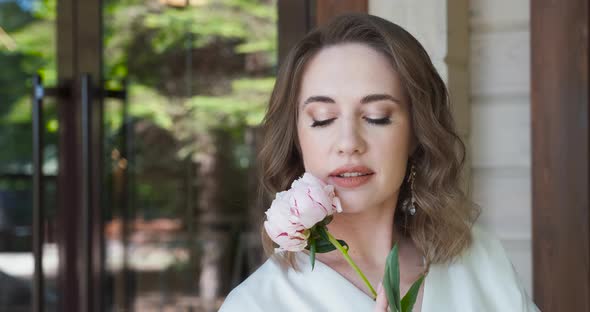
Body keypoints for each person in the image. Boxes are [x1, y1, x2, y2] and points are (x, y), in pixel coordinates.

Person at [219, 13, 540, 312]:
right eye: (323, 119)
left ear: (417, 131)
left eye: (377, 117)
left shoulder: (479, 258)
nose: (348, 143)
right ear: (296, 139)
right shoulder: (257, 304)